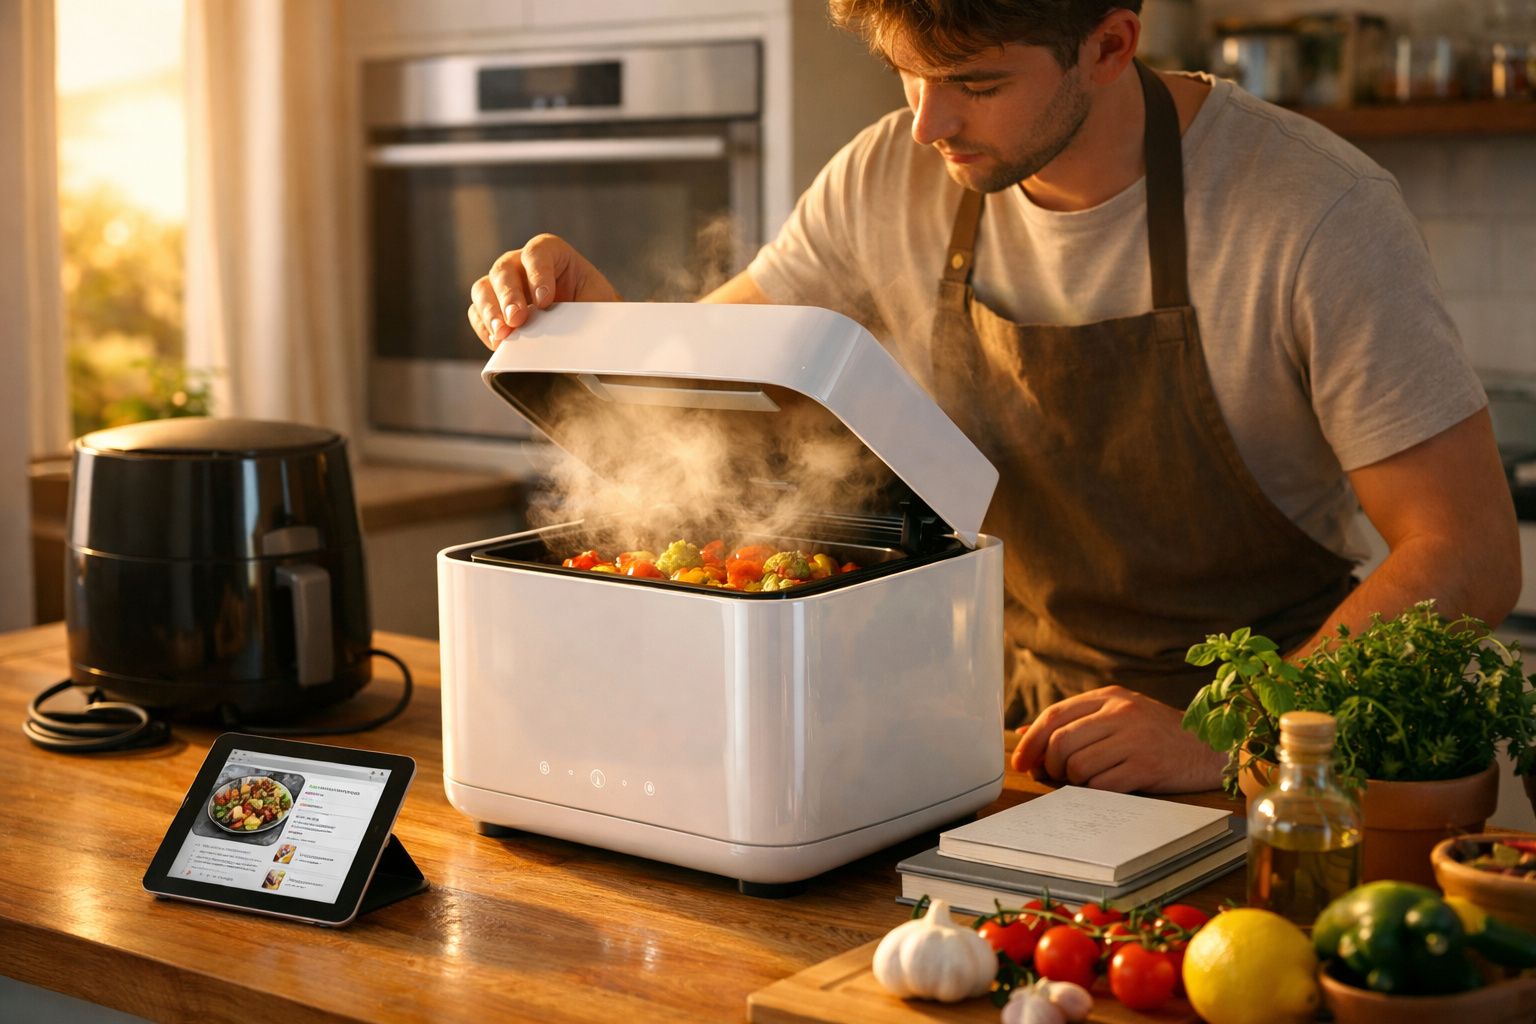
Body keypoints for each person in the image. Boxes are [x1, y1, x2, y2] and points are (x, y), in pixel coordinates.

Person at [466, 1, 1520, 794]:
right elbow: (706, 392)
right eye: (905, 75)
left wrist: (1230, 728)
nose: (927, 124)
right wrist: (599, 325)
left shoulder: (1313, 213)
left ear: (1109, 45)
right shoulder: (886, 177)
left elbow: (1467, 549)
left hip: (1274, 751)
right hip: (1005, 726)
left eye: (973, 82)